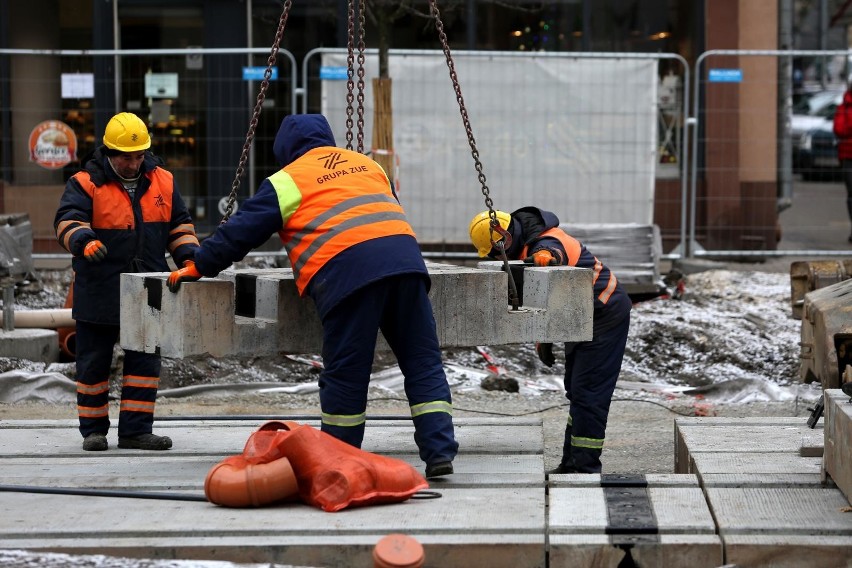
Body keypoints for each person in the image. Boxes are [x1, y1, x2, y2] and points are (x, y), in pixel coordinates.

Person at [167, 114, 459, 478]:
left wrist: (200, 264)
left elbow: (241, 232)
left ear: (284, 152)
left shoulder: (287, 180)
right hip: (406, 266)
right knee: (422, 362)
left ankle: (339, 460)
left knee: (347, 374)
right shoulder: (368, 164)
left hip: (348, 275)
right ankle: (439, 453)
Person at [54, 112, 200, 452]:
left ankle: (136, 430)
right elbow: (67, 220)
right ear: (109, 152)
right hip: (99, 287)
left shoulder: (162, 180)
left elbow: (179, 226)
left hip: (147, 287)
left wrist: (191, 257)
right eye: (126, 157)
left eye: (138, 156)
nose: (134, 164)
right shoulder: (85, 183)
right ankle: (93, 431)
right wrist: (83, 240)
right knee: (93, 363)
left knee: (144, 364)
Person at [468, 207, 631, 474]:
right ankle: (572, 463)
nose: (499, 257)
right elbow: (545, 296)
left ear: (504, 240)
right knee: (577, 391)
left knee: (589, 394)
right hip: (580, 317)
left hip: (604, 315)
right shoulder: (525, 247)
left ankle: (585, 468)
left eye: (496, 252)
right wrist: (544, 339)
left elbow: (554, 251)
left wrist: (546, 257)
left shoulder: (546, 241)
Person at [832, 82, 852, 243]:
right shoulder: (844, 106)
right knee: (851, 194)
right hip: (848, 156)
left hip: (846, 151)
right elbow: (839, 129)